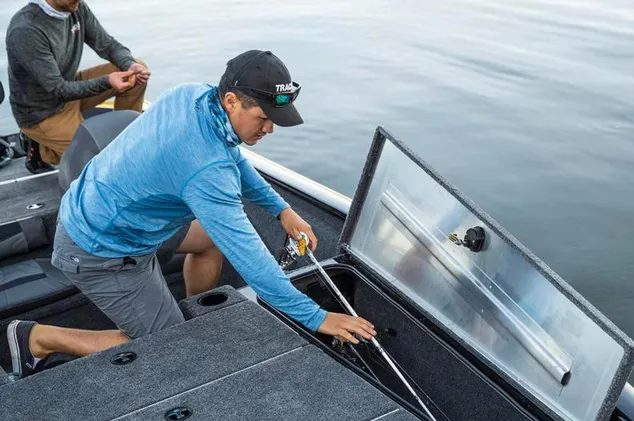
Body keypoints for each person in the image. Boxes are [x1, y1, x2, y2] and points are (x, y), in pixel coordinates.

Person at [6, 49, 376, 378]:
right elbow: (250, 259)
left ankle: (194, 312)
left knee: (209, 240)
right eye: (264, 117)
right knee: (171, 347)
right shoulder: (204, 171)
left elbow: (232, 155)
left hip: (124, 214)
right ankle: (38, 338)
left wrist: (281, 210)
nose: (269, 128)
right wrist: (318, 317)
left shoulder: (195, 96)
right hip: (100, 248)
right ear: (232, 101)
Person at [5, 0, 149, 174]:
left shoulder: (75, 6)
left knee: (134, 72)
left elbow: (108, 45)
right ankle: (42, 149)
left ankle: (125, 141)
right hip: (42, 113)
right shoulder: (25, 29)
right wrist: (107, 82)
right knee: (96, 159)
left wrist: (129, 64)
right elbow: (58, 90)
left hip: (70, 88)